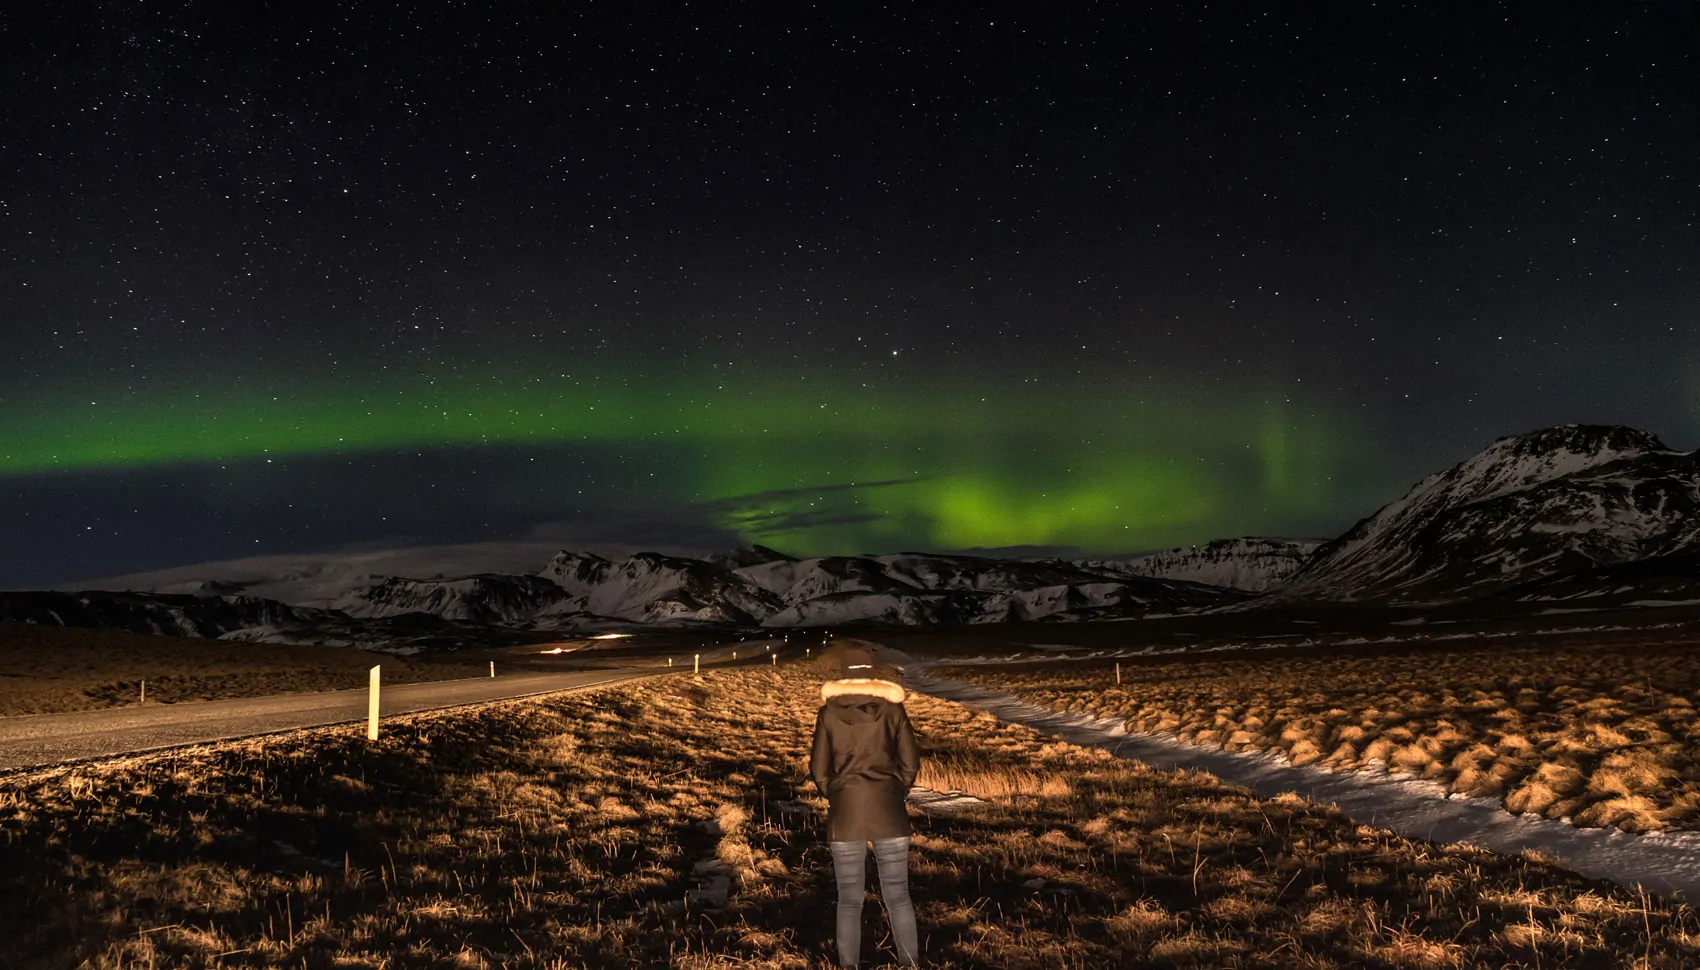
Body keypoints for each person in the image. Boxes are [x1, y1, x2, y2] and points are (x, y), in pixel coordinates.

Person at [810, 643, 922, 968]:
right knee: (899, 896)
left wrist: (837, 793)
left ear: (844, 675)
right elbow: (911, 764)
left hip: (845, 815)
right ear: (872, 673)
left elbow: (818, 769)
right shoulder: (892, 711)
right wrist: (894, 791)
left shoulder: (828, 713)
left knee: (848, 900)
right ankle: (910, 964)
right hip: (889, 812)